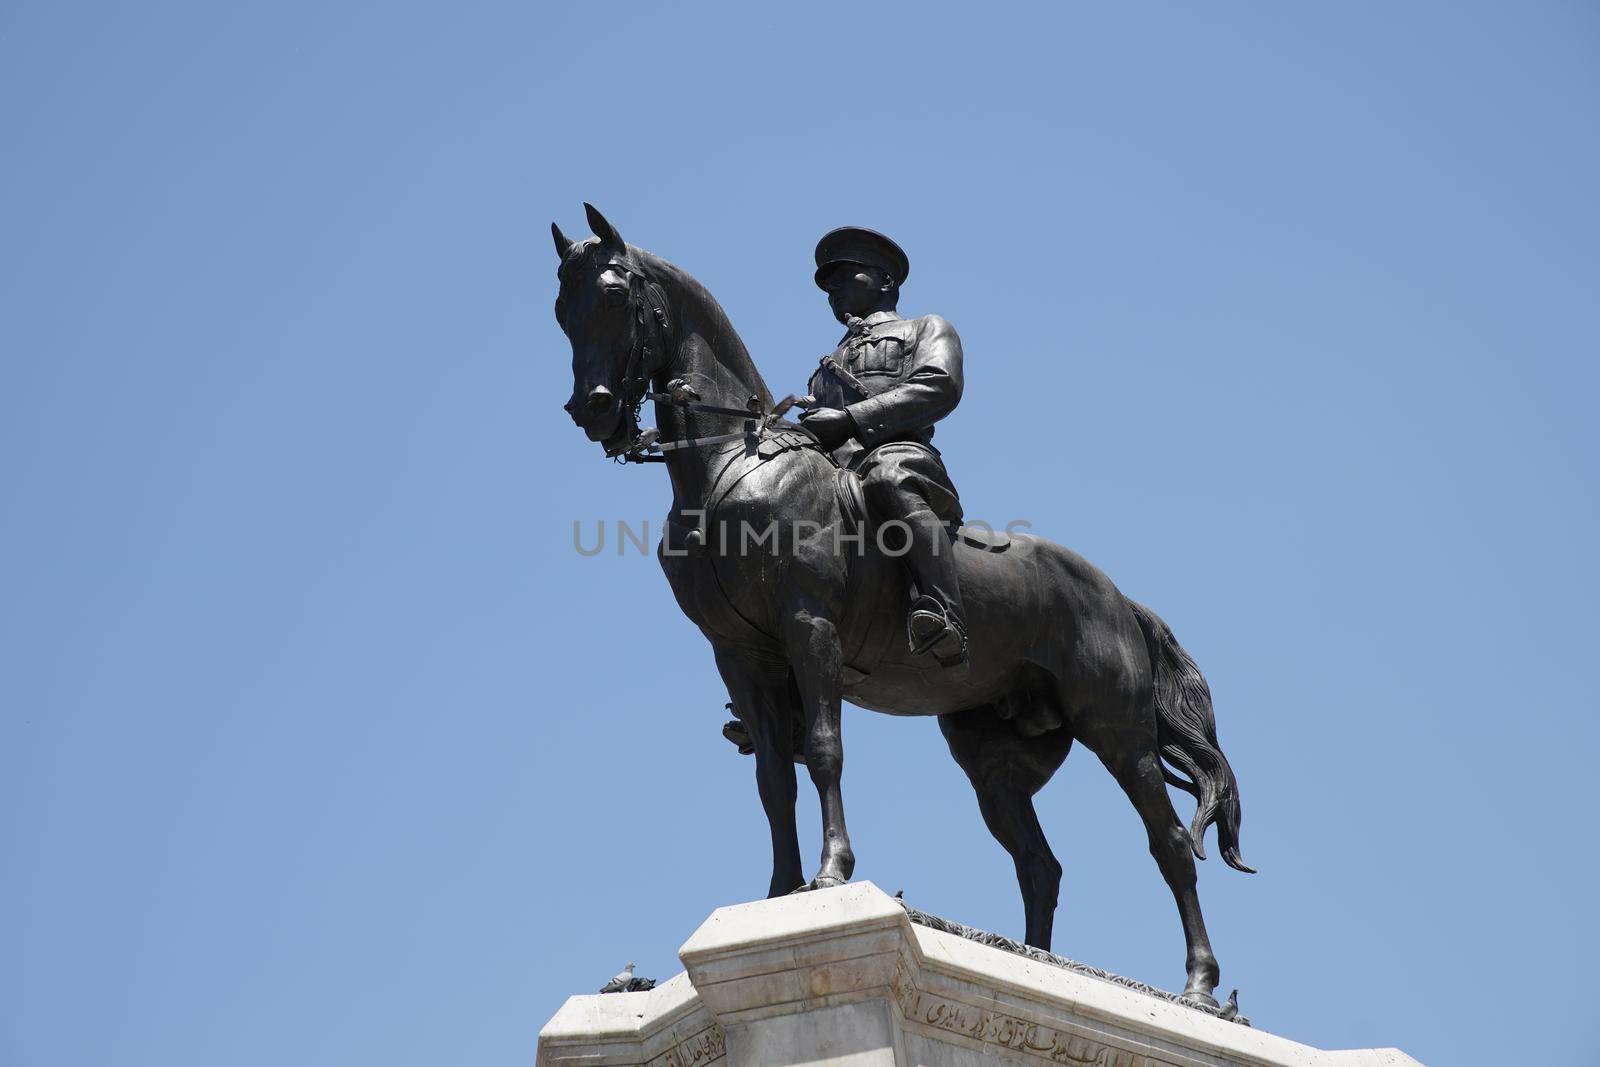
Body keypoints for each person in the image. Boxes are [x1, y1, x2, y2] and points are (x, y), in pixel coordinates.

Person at [800, 226, 969, 670]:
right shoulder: (825, 368)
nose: (832, 290)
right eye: (827, 285)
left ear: (885, 282)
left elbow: (939, 386)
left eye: (844, 277)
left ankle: (943, 612)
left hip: (900, 454)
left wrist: (850, 419)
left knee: (887, 480)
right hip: (835, 471)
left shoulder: (925, 328)